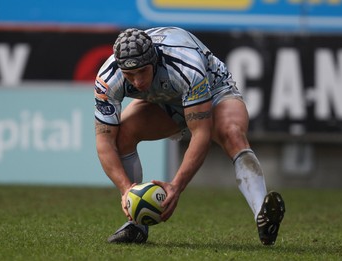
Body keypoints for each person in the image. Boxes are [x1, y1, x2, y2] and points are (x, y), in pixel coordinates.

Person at [94, 27, 285, 245]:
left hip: (214, 92)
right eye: (129, 75)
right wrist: (126, 190)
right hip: (164, 101)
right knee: (121, 136)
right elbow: (104, 141)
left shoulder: (185, 65)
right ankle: (137, 226)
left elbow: (200, 133)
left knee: (232, 133)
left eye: (142, 72)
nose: (136, 82)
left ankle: (263, 214)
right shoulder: (108, 79)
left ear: (154, 61)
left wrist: (176, 186)